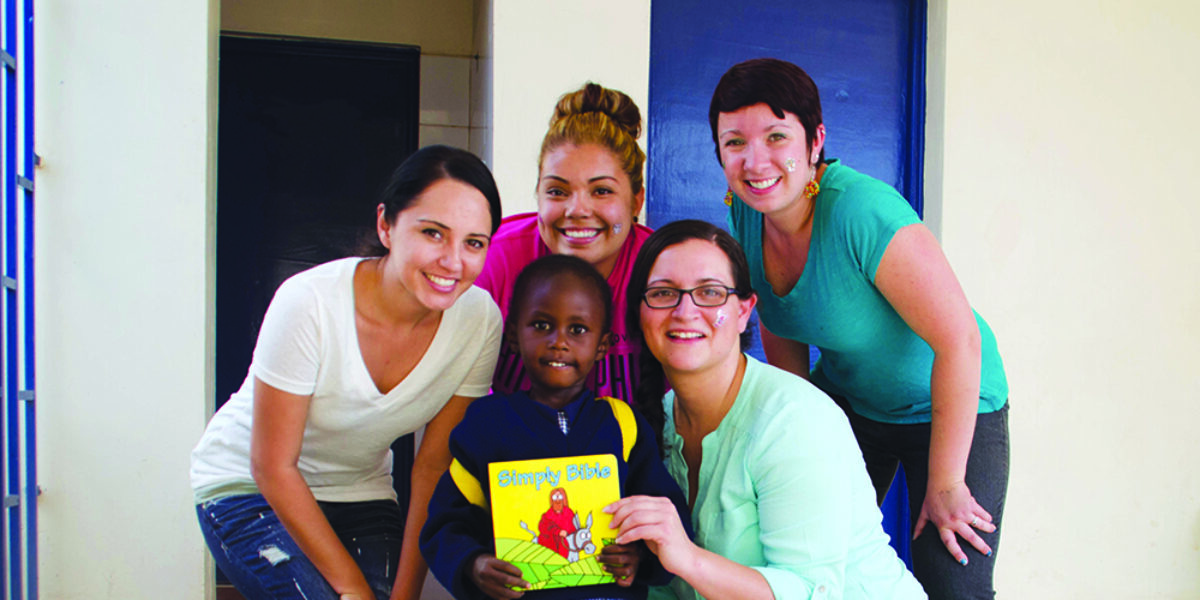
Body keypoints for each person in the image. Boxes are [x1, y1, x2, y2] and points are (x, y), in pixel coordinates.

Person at [710, 58, 1010, 599]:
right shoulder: (747, 212)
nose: (755, 162)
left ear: (815, 140)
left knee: (951, 578)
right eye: (734, 142)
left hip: (946, 402)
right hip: (854, 403)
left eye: (777, 137)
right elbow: (782, 324)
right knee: (810, 553)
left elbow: (959, 339)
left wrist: (945, 484)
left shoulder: (861, 211)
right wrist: (791, 432)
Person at [191, 145, 504, 600]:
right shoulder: (309, 303)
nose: (453, 262)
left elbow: (432, 466)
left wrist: (405, 595)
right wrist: (353, 588)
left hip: (359, 492)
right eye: (433, 233)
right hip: (246, 486)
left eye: (474, 243)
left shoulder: (479, 321)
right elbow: (271, 465)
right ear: (386, 225)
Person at [606, 220, 925, 600]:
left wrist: (686, 558)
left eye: (709, 292)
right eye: (663, 293)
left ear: (744, 311)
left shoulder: (792, 420)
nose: (685, 310)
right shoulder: (654, 422)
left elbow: (811, 594)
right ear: (640, 313)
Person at [421, 254, 690, 600]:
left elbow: (665, 517)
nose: (558, 341)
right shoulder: (487, 426)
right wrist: (473, 564)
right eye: (542, 325)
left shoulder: (623, 426)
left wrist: (639, 558)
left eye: (577, 330)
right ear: (515, 335)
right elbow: (444, 524)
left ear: (602, 346)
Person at [476, 82, 649, 402]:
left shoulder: (658, 268)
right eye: (557, 191)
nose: (577, 210)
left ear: (636, 201)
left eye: (601, 191)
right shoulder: (496, 260)